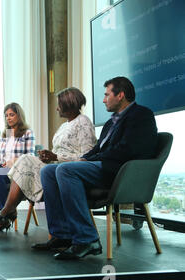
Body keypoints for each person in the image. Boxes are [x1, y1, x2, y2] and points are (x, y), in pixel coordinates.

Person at [34, 76, 158, 260]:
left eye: (107, 94)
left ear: (121, 95)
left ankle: (87, 239)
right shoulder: (111, 122)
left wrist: (88, 160)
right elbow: (97, 149)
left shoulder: (142, 115)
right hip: (104, 167)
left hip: (120, 173)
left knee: (65, 170)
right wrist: (84, 158)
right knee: (48, 171)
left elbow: (129, 149)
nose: (103, 99)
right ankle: (62, 235)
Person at [0, 88, 96, 235]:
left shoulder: (83, 123)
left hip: (66, 169)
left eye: (59, 105)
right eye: (6, 116)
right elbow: (1, 155)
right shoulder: (64, 126)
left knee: (14, 164)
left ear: (68, 105)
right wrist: (49, 156)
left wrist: (55, 157)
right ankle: (4, 212)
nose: (56, 108)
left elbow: (87, 156)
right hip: (52, 166)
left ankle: (5, 212)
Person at [0, 102, 35, 233]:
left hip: (18, 171)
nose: (8, 118)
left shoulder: (27, 133)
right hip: (4, 169)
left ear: (19, 116)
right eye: (6, 115)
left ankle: (5, 214)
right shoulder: (6, 134)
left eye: (11, 115)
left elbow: (30, 156)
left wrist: (14, 160)